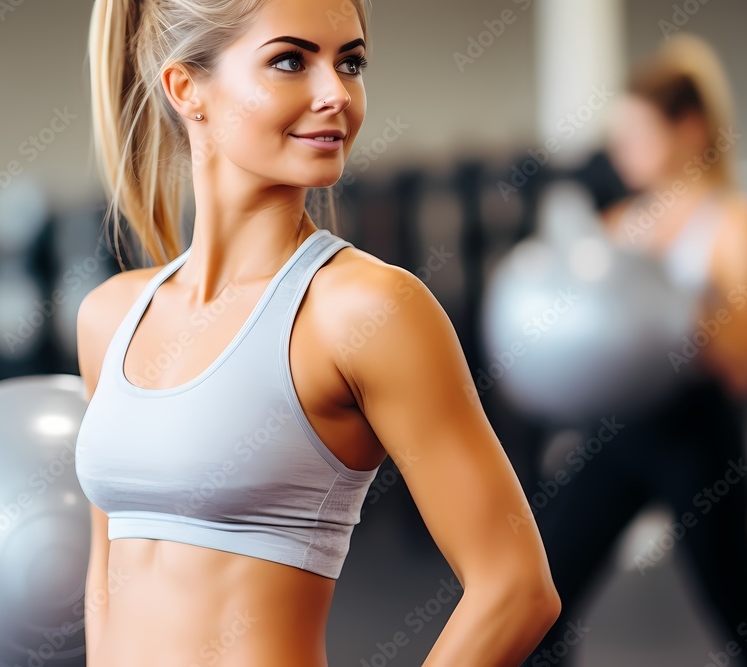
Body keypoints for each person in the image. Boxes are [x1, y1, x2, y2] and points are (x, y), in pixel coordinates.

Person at [73, 0, 560, 664]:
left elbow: (516, 587)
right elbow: (106, 579)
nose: (337, 94)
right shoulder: (110, 317)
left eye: (350, 63)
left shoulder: (365, 311)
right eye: (289, 61)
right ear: (187, 90)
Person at [523, 34, 747, 666]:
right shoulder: (619, 225)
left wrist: (670, 311)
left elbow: (745, 365)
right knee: (538, 603)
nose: (622, 151)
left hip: (699, 439)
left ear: (688, 130)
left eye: (637, 135)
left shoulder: (734, 226)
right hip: (620, 428)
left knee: (745, 631)